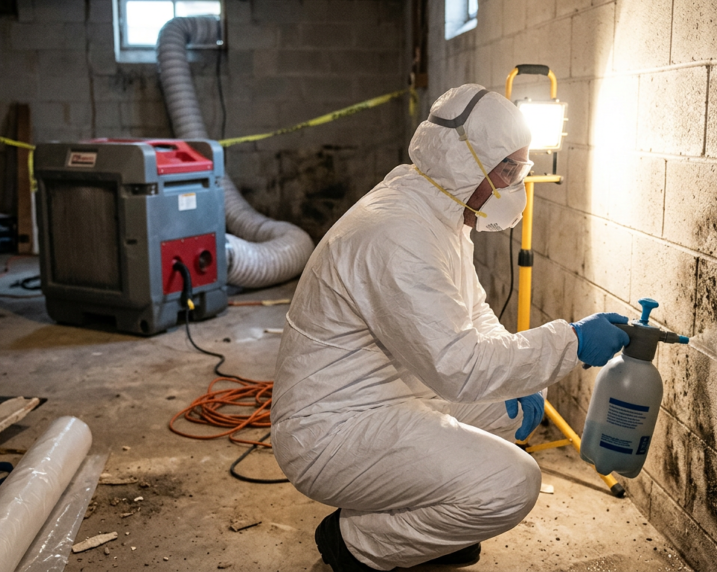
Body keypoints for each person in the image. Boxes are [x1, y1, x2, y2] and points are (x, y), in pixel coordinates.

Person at [270, 84, 630, 572]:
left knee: (509, 408)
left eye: (519, 169)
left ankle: (423, 530)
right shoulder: (399, 234)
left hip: (390, 394)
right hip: (332, 429)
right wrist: (572, 342)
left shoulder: (440, 209)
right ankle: (357, 543)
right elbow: (458, 368)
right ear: (465, 161)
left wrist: (524, 373)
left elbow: (474, 310)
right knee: (512, 485)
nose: (515, 184)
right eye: (507, 168)